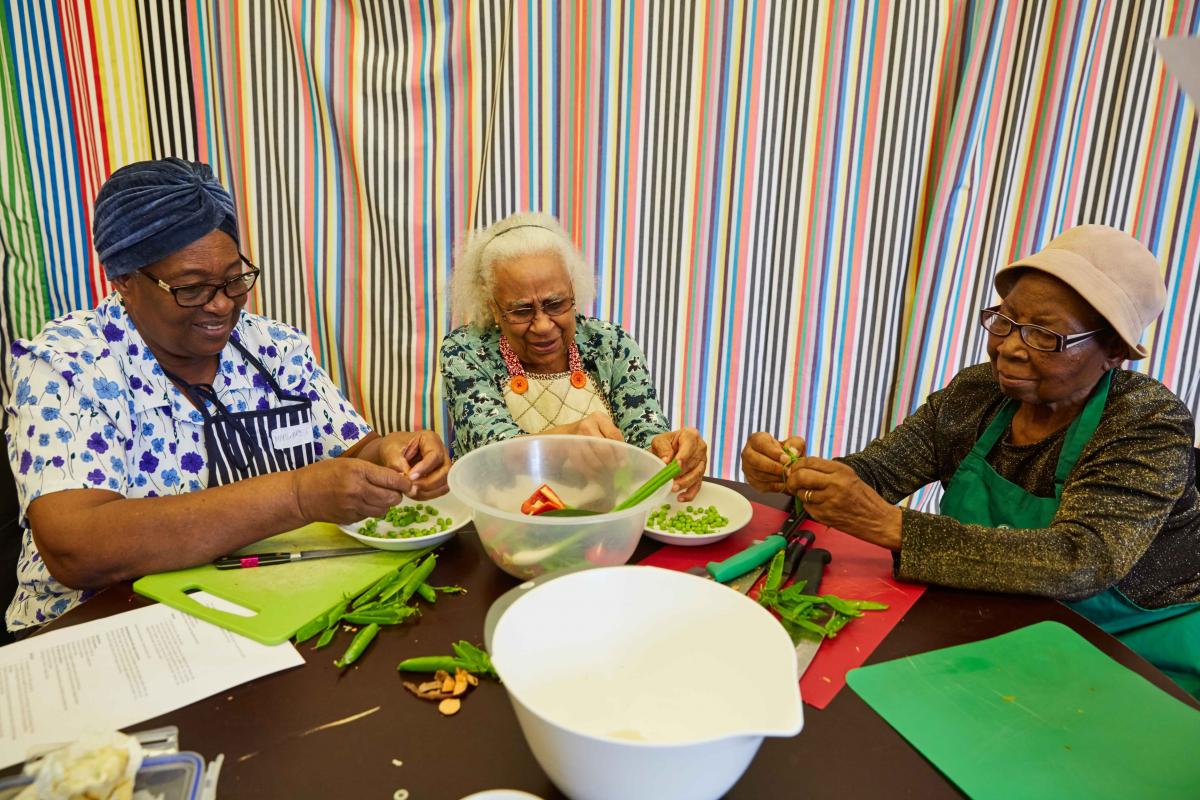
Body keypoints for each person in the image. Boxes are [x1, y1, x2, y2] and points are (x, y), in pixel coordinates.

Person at [742, 225, 1200, 696]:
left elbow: (1081, 561)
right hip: (1001, 617)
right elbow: (879, 473)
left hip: (1137, 651)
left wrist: (893, 527)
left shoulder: (1146, 422)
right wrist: (796, 473)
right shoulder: (976, 394)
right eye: (1005, 320)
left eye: (1045, 335)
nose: (1009, 347)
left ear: (1114, 351)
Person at [5, 158, 450, 632]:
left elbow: (349, 449)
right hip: (107, 627)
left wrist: (390, 454)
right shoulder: (68, 365)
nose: (221, 305)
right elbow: (75, 548)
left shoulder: (273, 348)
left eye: (234, 280)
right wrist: (298, 496)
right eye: (191, 288)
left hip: (259, 605)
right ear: (124, 282)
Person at [441, 212, 706, 500]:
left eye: (556, 304)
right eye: (521, 310)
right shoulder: (465, 351)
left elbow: (643, 434)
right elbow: (491, 451)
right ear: (493, 307)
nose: (543, 325)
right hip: (501, 520)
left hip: (604, 520)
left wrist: (667, 449)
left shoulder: (611, 344)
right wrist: (567, 439)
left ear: (573, 290)